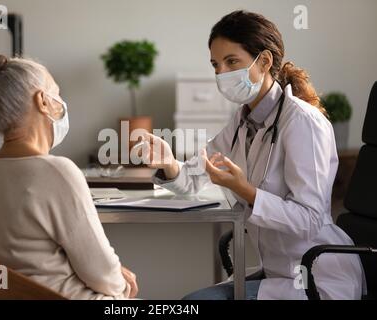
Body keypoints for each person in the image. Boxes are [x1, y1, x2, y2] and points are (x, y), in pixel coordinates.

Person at [142, 11, 364, 300]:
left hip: (317, 275)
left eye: (231, 61)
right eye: (215, 65)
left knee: (193, 303)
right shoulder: (242, 120)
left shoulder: (302, 122)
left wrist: (245, 190)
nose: (221, 73)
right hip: (278, 271)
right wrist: (169, 163)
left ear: (265, 61)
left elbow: (309, 219)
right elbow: (193, 179)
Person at [0, 41, 138, 300]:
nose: (61, 103)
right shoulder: (58, 172)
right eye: (56, 93)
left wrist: (112, 274)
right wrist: (122, 285)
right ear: (43, 101)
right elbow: (102, 274)